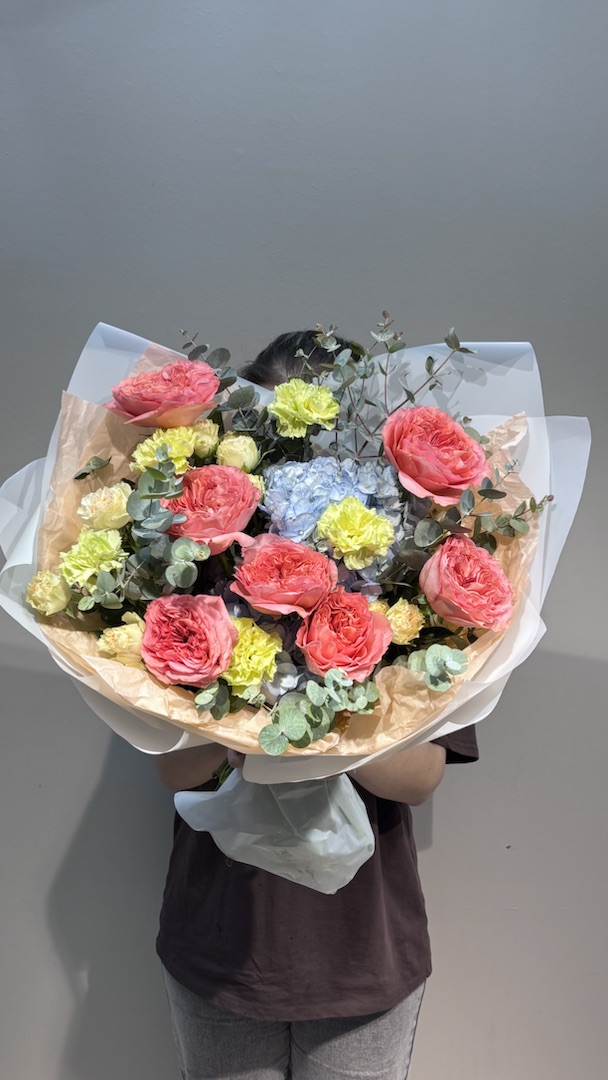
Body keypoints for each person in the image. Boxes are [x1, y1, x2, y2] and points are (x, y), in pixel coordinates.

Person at [154, 330, 479, 1080]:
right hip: (222, 942)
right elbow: (178, 772)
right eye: (282, 446)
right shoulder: (192, 591)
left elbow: (418, 777)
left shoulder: (425, 597)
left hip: (363, 951)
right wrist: (241, 658)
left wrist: (335, 658)